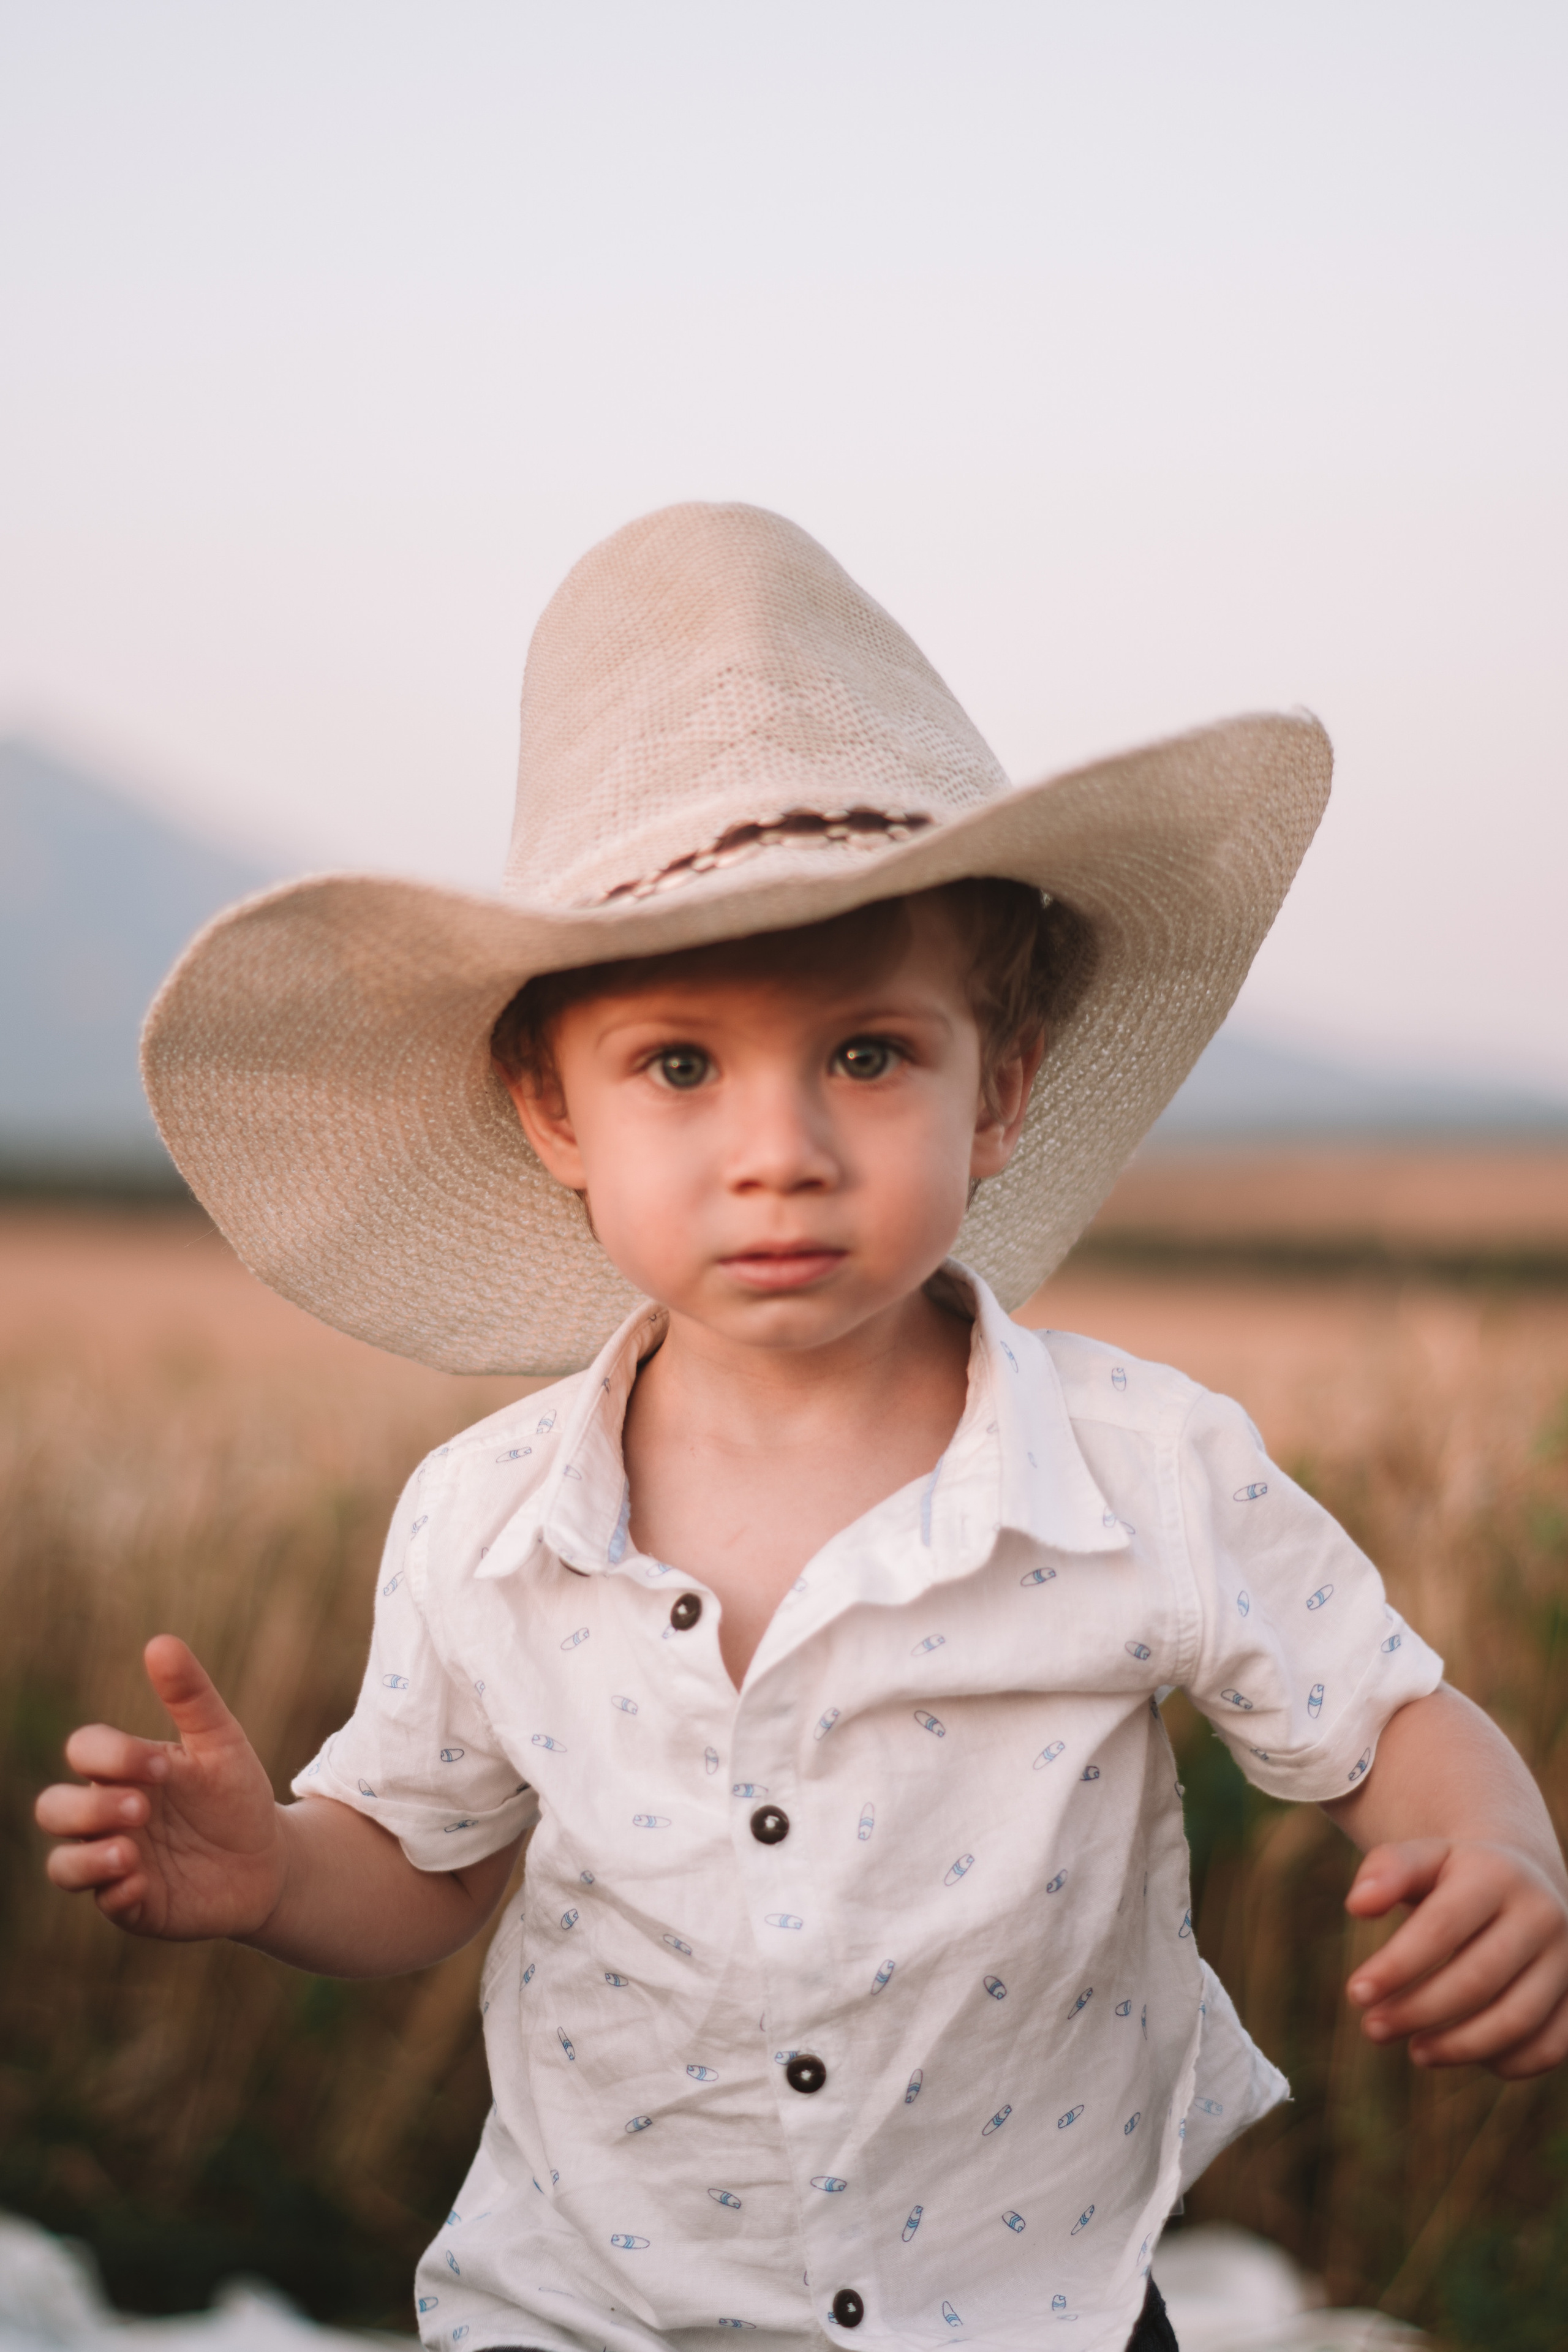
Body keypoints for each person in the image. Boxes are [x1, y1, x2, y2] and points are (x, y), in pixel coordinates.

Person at [36, 505, 1568, 2352]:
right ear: (553, 1109)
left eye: (867, 1054)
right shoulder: (487, 1521)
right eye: (679, 1066)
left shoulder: (1143, 1468)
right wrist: (279, 1873)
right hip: (594, 2311)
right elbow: (429, 1864)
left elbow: (1392, 1713)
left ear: (998, 1086)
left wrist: (1500, 1845)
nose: (781, 1148)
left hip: (1033, 2310)